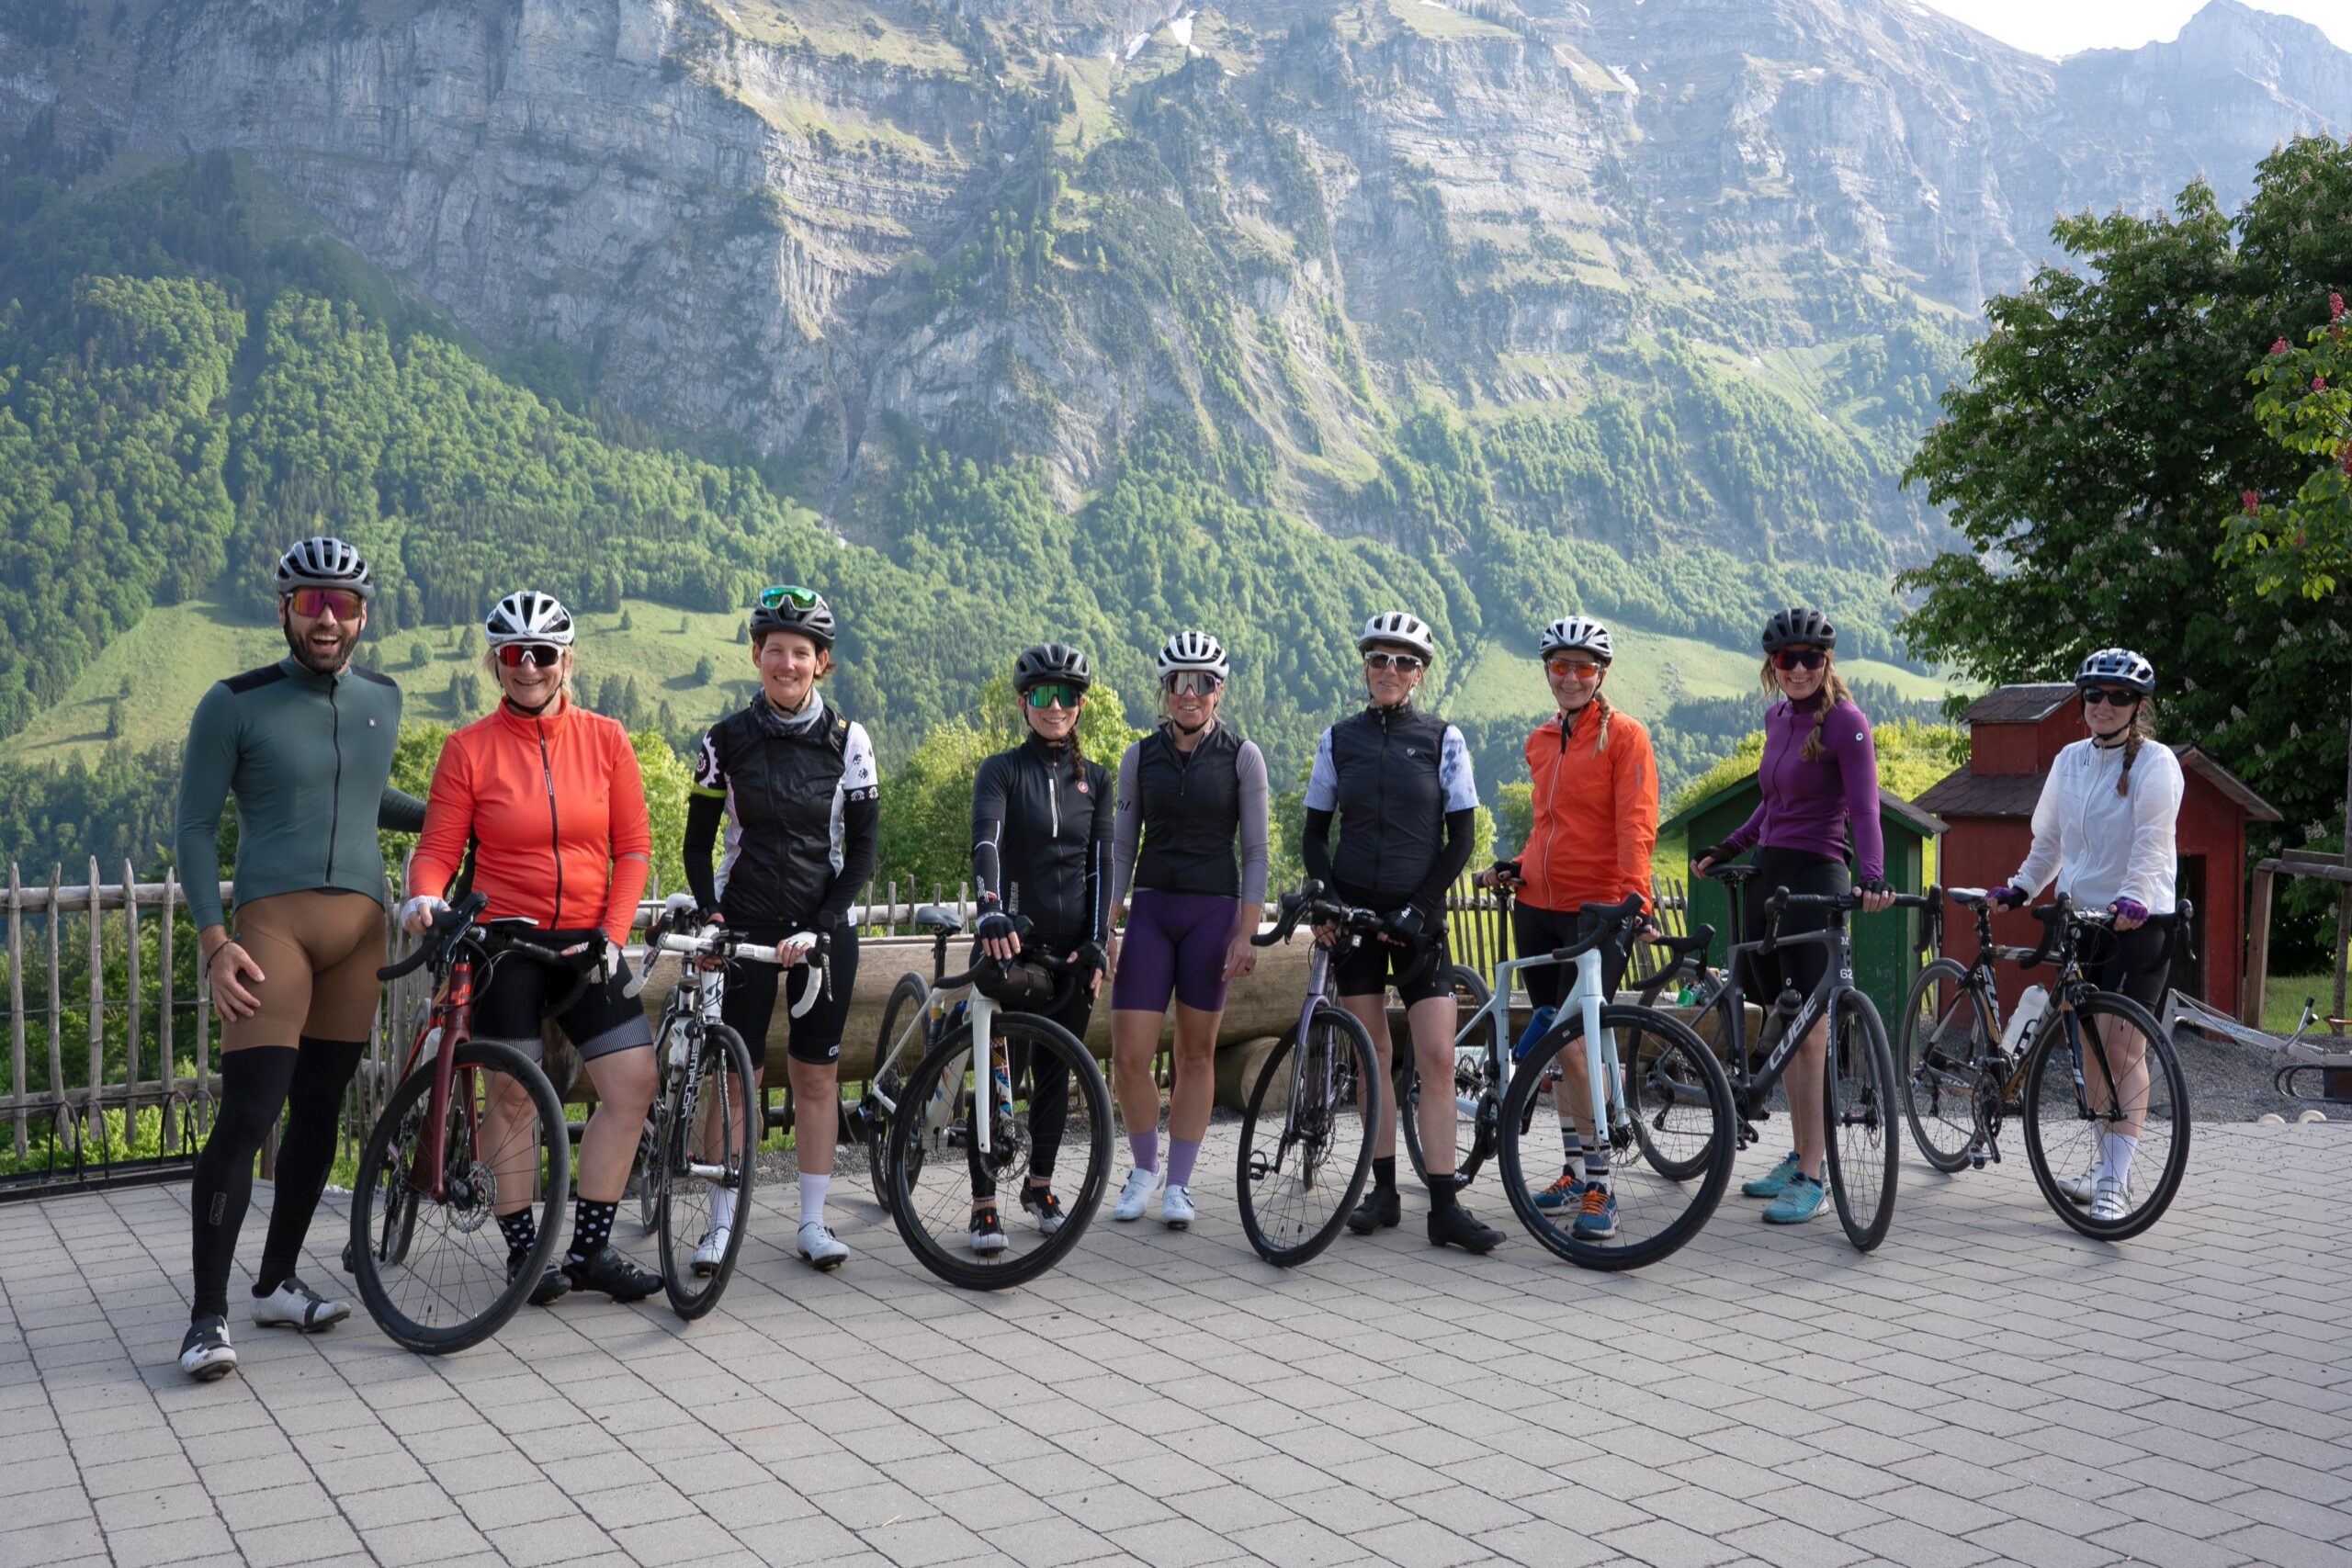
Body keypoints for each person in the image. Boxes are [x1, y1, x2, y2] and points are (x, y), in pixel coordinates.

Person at [174, 538, 427, 1382]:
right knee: (249, 1115)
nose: (328, 618)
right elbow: (195, 828)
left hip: (362, 931)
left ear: (365, 614)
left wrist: (456, 818)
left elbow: (362, 792)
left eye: (344, 604)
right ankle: (206, 1318)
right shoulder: (233, 702)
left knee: (322, 1112)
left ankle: (276, 1281)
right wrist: (215, 941)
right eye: (311, 602)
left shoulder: (382, 699)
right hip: (270, 929)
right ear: (282, 607)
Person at [402, 590, 661, 1304]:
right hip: (504, 943)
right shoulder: (468, 749)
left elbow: (633, 850)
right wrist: (425, 896)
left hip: (587, 941)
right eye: (513, 655)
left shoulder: (607, 740)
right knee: (512, 1095)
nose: (528, 668)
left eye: (543, 654)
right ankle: (524, 1254)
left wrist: (612, 934)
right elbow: (438, 852)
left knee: (633, 1082)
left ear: (567, 660)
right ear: (495, 662)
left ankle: (590, 1249)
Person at [684, 586, 877, 1271]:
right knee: (735, 1075)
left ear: (822, 662)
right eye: (775, 650)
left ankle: (813, 1221)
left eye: (801, 652)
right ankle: (719, 1223)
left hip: (823, 927)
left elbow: (863, 852)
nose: (787, 663)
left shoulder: (849, 740)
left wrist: (825, 926)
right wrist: (713, 916)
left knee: (815, 1077)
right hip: (746, 924)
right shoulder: (724, 740)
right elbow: (697, 843)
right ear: (757, 656)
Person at [1692, 606, 1894, 1226]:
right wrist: (1728, 847)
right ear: (1772, 666)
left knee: (1811, 1033)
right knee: (1785, 1021)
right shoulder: (1778, 717)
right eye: (1787, 659)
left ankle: (1814, 1171)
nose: (1799, 668)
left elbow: (1865, 810)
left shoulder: (1847, 724)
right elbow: (1771, 803)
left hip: (1815, 876)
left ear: (1827, 661)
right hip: (1768, 874)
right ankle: (1799, 1151)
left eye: (1810, 657)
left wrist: (1873, 876)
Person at [1304, 612, 1498, 1253]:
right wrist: (1330, 900)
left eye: (1404, 662)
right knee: (1373, 1055)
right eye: (1380, 659)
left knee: (1438, 1058)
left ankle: (1444, 1205)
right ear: (1365, 666)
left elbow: (1463, 836)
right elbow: (1313, 833)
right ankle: (1383, 1191)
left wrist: (1419, 908)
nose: (1391, 671)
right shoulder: (1338, 740)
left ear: (1420, 673)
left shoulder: (1444, 739)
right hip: (1357, 920)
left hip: (1420, 924)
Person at [1478, 616, 1658, 1244]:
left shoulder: (1626, 737)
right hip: (1537, 905)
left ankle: (1602, 1188)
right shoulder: (1539, 740)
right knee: (1552, 1047)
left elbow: (1635, 822)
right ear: (1548, 671)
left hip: (1598, 910)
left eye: (1584, 667)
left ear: (1601, 673)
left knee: (1576, 1042)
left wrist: (1637, 894)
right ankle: (1573, 1167)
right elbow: (1548, 826)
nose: (1572, 677)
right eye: (1561, 666)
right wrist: (1515, 867)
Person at [1991, 648, 2181, 1222]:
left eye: (2118, 696)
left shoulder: (2156, 763)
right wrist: (2023, 887)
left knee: (2122, 1048)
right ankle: (2105, 1166)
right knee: (2090, 1050)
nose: (2103, 704)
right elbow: (2049, 842)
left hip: (2140, 920)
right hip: (2083, 921)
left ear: (2137, 706)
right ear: (2082, 702)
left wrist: (2136, 898)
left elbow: (2153, 841)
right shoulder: (2069, 762)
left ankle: (2116, 1183)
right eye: (2094, 695)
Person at [1105, 632, 1271, 1229]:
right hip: (1152, 910)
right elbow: (1121, 849)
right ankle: (1144, 1168)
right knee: (1130, 1057)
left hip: (1213, 914)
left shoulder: (1242, 755)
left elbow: (1255, 851)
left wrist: (1245, 932)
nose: (1191, 692)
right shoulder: (1138, 756)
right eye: (1180, 681)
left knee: (1196, 1055)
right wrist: (1108, 920)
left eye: (1203, 682)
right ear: (1165, 689)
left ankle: (1179, 1183)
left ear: (1219, 690)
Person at [967, 643, 1113, 1255]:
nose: (1056, 707)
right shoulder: (1001, 770)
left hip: (1073, 952)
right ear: (1025, 701)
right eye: (1044, 695)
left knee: (1058, 1073)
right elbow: (987, 842)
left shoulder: (1097, 779)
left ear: (1080, 704)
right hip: (1016, 945)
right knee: (1001, 1070)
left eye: (1068, 695)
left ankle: (1041, 1187)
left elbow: (1104, 867)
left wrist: (1100, 943)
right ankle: (983, 1204)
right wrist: (992, 907)